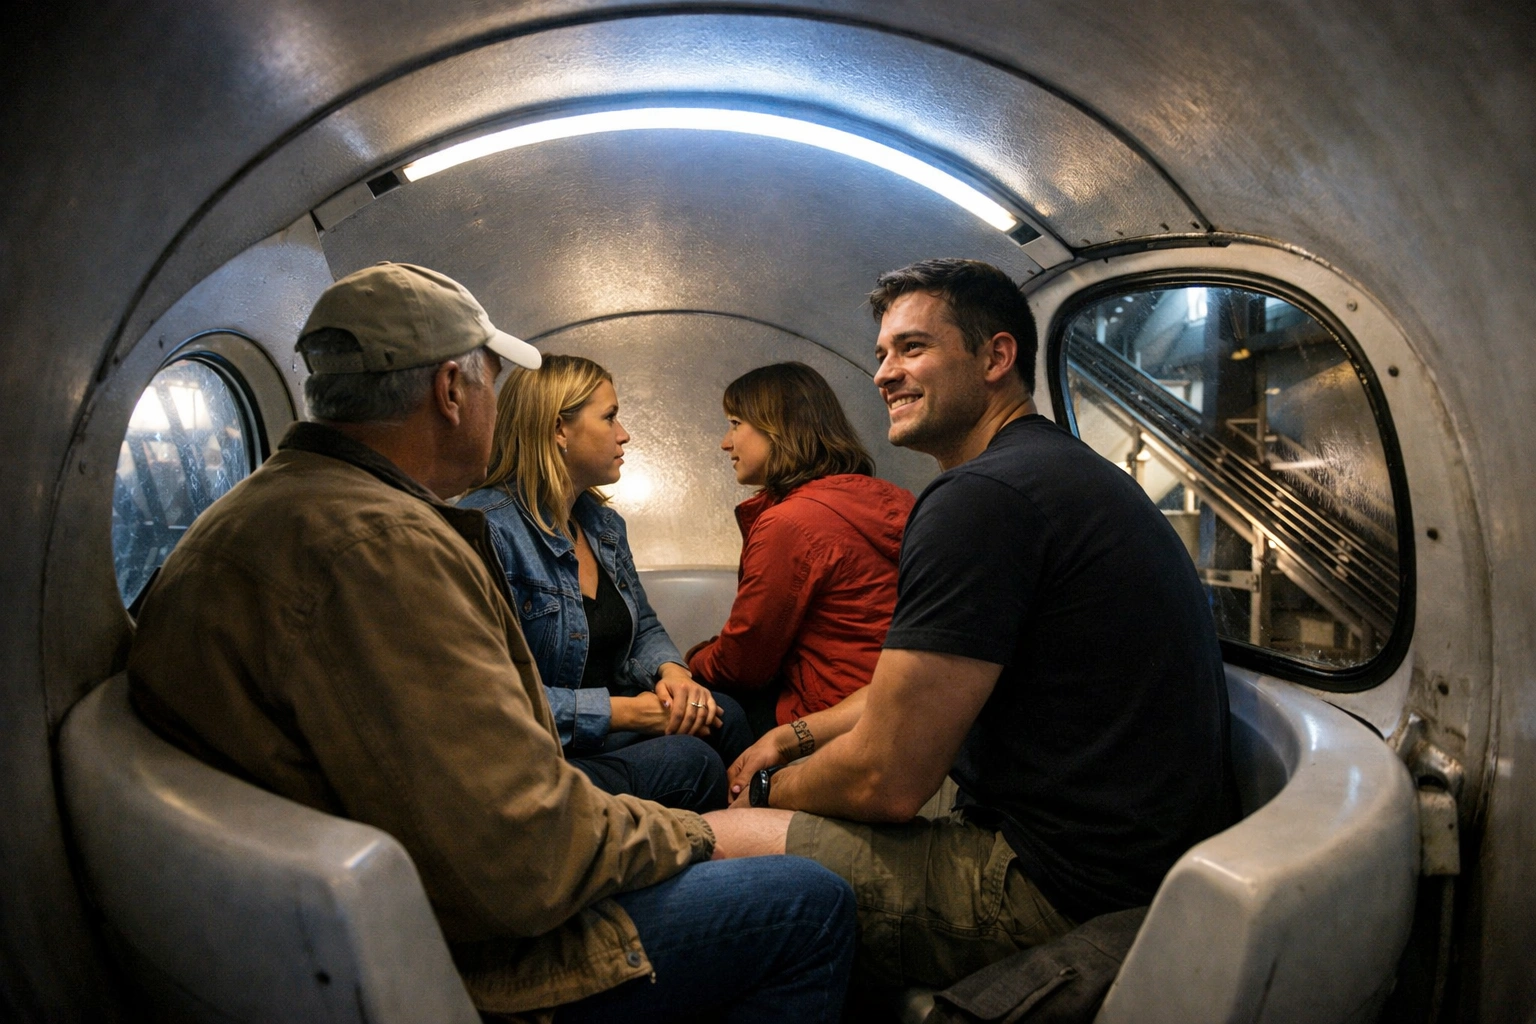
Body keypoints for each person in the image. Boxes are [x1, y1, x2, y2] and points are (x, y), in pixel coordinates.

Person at [127, 262, 855, 1023]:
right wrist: (699, 836)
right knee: (810, 900)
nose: (495, 407)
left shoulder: (273, 506)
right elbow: (520, 853)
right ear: (450, 389)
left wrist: (670, 676)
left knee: (712, 739)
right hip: (467, 948)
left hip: (390, 891)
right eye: (490, 381)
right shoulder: (384, 549)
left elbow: (486, 778)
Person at [709, 258, 1237, 993]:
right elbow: (915, 688)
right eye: (881, 354)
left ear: (995, 357)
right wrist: (790, 737)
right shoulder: (1051, 471)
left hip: (1055, 887)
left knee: (710, 842)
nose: (884, 374)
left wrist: (768, 789)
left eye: (913, 348)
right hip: (1128, 861)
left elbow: (886, 779)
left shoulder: (982, 499)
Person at [459, 355, 753, 811]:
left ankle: (751, 841)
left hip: (600, 737)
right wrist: (629, 712)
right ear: (559, 430)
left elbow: (645, 625)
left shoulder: (602, 526)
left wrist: (675, 676)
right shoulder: (487, 530)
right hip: (536, 756)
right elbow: (489, 699)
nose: (624, 434)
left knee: (722, 714)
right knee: (690, 762)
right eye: (610, 417)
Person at [686, 362, 914, 738]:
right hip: (897, 706)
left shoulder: (791, 523)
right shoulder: (894, 499)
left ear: (776, 428)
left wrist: (689, 662)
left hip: (827, 717)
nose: (726, 442)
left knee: (695, 713)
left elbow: (744, 664)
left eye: (735, 424)